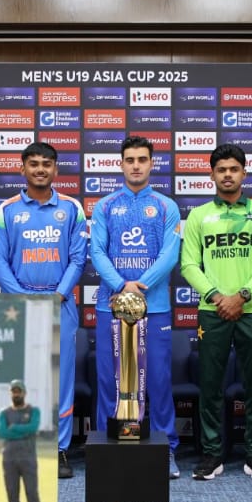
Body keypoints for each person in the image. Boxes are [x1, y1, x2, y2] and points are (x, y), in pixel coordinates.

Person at [0, 141, 88, 480]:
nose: (40, 169)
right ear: (23, 169)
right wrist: (24, 299)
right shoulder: (6, 211)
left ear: (56, 169)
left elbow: (78, 258)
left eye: (47, 164)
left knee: (61, 382)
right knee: (23, 378)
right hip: (21, 307)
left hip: (61, 304)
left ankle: (58, 448)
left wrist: (58, 295)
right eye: (34, 164)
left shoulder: (72, 208)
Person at [180, 144, 252, 482]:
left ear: (244, 173)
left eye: (233, 169)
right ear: (211, 174)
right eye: (221, 169)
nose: (227, 175)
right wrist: (217, 297)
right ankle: (212, 454)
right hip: (212, 311)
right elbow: (189, 264)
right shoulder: (199, 215)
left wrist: (242, 296)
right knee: (210, 387)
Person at [89, 136, 183, 478]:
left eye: (142, 159)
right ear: (121, 164)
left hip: (154, 308)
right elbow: (97, 251)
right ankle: (107, 448)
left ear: (152, 163)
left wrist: (139, 286)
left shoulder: (166, 206)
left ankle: (166, 449)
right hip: (110, 307)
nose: (136, 165)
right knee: (109, 381)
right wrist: (121, 285)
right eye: (130, 159)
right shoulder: (105, 206)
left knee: (157, 380)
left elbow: (170, 254)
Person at [0, 379, 47, 502]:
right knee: (12, 493)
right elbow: (2, 432)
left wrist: (15, 428)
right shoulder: (4, 413)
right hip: (9, 459)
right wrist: (23, 432)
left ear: (24, 393)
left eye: (19, 391)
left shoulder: (33, 411)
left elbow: (33, 428)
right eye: (14, 392)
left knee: (32, 493)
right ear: (10, 393)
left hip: (28, 458)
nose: (16, 394)